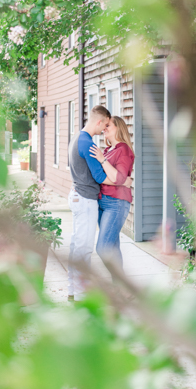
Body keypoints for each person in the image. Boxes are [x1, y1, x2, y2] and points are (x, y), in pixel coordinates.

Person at [67, 105, 129, 301]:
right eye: (104, 126)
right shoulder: (88, 143)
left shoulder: (78, 138)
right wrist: (123, 180)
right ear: (99, 121)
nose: (104, 130)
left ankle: (73, 289)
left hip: (79, 195)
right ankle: (80, 293)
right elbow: (100, 176)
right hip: (85, 200)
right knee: (84, 248)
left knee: (77, 245)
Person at [90, 115, 135, 274]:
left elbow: (118, 177)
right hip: (104, 202)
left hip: (116, 203)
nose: (104, 128)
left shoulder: (123, 150)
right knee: (113, 248)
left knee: (103, 248)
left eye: (108, 125)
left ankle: (123, 285)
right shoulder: (109, 150)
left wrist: (102, 160)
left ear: (118, 128)